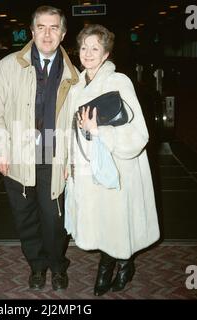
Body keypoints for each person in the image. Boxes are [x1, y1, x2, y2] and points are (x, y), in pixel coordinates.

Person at [0, 6, 78, 290]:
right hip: (17, 156)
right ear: (32, 30)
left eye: (53, 28)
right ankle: (37, 266)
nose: (47, 34)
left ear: (62, 34)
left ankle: (57, 265)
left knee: (55, 221)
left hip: (55, 157)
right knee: (25, 219)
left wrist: (71, 161)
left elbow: (76, 125)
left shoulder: (74, 76)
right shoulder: (8, 65)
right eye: (41, 27)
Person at [65, 24, 160, 296]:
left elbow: (139, 134)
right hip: (88, 168)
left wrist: (100, 131)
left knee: (117, 221)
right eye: (84, 47)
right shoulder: (76, 86)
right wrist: (68, 165)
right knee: (104, 222)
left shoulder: (119, 82)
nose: (88, 53)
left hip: (118, 167)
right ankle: (116, 263)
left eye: (95, 48)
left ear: (106, 54)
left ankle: (116, 266)